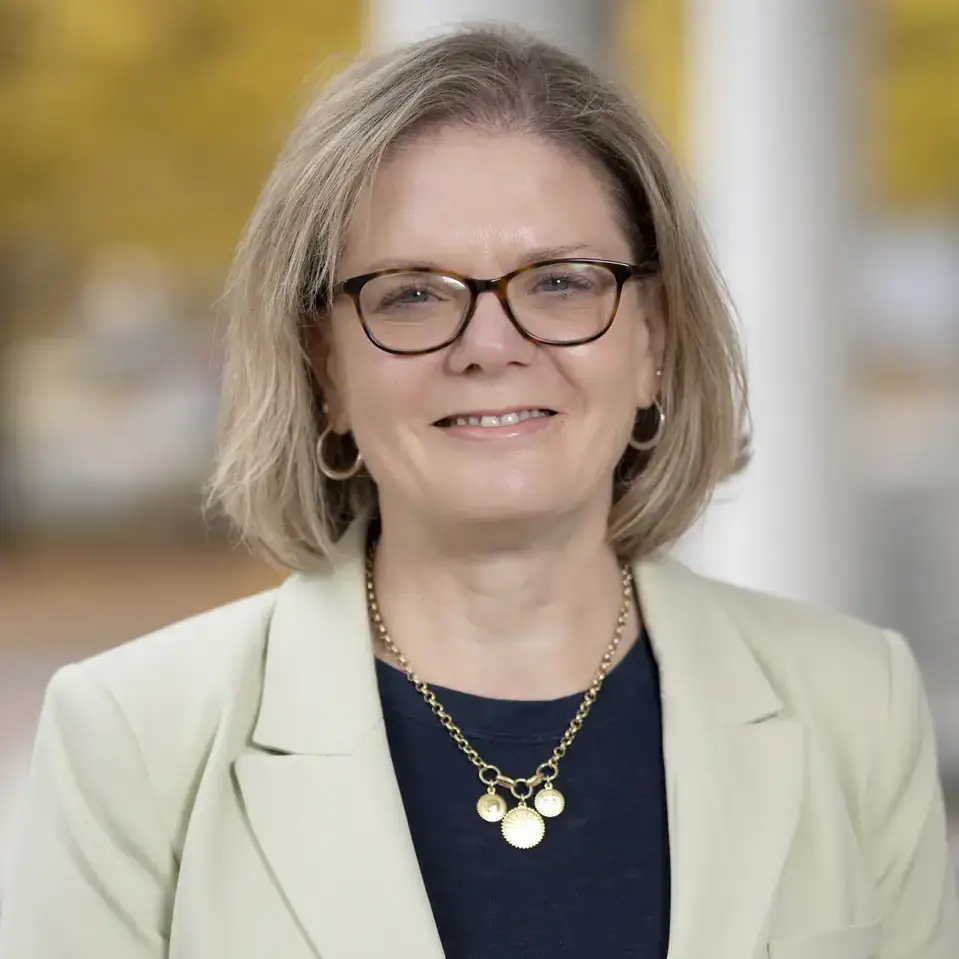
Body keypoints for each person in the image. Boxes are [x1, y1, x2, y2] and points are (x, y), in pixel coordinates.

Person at [1, 24, 957, 959]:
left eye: (560, 283)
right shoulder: (134, 737)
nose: (491, 347)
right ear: (323, 368)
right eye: (412, 293)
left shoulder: (854, 703)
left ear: (654, 343)